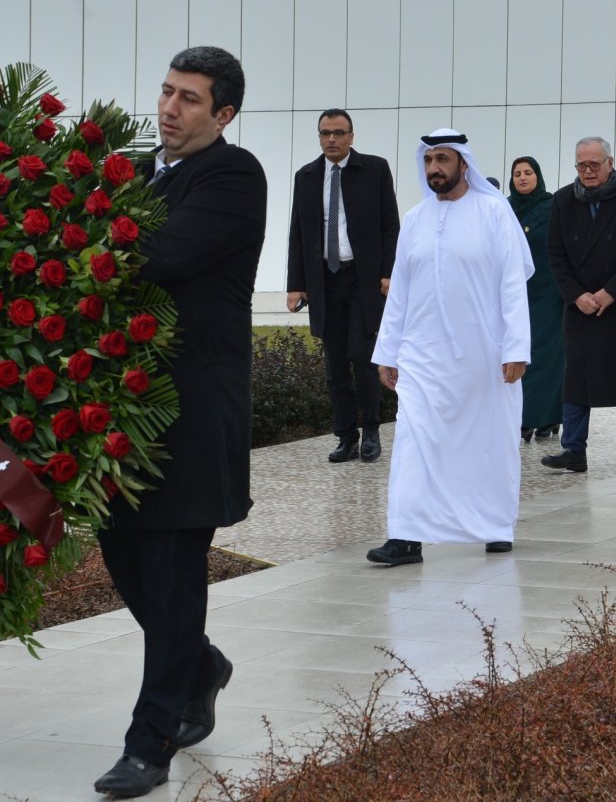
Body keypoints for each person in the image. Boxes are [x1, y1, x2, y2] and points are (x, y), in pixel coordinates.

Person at [92, 46, 267, 798]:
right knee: (126, 563)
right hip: (125, 408)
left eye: (189, 98)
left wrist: (83, 232)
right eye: (166, 92)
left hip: (190, 407)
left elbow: (160, 257)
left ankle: (150, 741)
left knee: (171, 576)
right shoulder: (132, 174)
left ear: (223, 114)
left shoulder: (233, 174)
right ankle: (200, 666)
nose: (169, 107)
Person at [366, 130, 532, 566]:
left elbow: (513, 284)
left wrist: (516, 347)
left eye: (442, 159)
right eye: (428, 160)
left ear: (463, 163)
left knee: (489, 440)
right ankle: (405, 535)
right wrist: (387, 351)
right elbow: (400, 291)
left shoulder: (493, 213)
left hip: (484, 353)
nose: (434, 168)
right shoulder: (416, 219)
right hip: (421, 354)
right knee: (413, 439)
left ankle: (494, 526)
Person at [285, 109, 401, 463]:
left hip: (362, 280)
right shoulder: (306, 176)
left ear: (352, 136)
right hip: (324, 281)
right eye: (325, 133)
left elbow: (390, 225)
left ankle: (371, 431)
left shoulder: (375, 169)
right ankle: (346, 435)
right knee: (334, 362)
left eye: (338, 132)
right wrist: (296, 284)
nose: (331, 139)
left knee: (362, 355)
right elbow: (298, 233)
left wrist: (389, 272)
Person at [541, 137, 616, 473]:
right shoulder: (564, 199)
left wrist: (611, 292)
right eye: (582, 165)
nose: (588, 171)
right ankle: (573, 448)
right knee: (576, 379)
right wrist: (576, 295)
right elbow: (556, 255)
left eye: (595, 164)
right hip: (581, 307)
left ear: (610, 162)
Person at [507, 157, 563, 442]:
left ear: (537, 176)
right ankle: (523, 416)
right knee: (518, 353)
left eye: (528, 172)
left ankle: (547, 417)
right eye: (517, 173)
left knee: (546, 356)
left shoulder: (552, 206)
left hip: (548, 293)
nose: (522, 177)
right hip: (513, 293)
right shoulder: (503, 207)